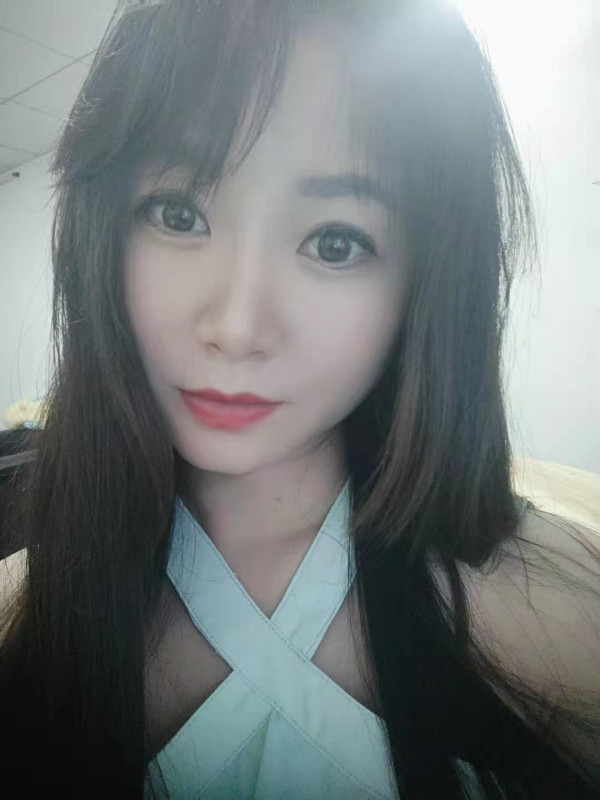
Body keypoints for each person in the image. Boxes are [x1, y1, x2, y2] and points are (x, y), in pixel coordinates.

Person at [0, 0, 598, 797]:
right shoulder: (23, 618)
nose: (237, 327)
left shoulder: (557, 614)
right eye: (179, 213)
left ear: (426, 284)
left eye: (335, 242)